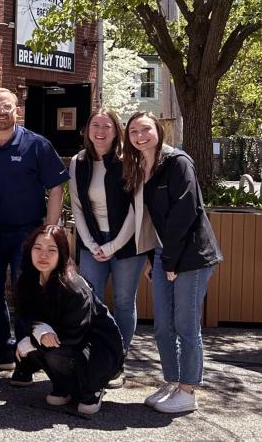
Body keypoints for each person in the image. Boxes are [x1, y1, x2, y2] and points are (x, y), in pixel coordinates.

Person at [0, 87, 69, 385]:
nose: (2, 111)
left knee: (26, 295)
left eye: (7, 106)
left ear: (17, 110)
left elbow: (56, 188)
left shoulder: (37, 145)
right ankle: (3, 350)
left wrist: (49, 231)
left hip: (28, 234)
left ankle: (27, 358)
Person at [123, 111, 223, 414]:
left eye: (146, 130)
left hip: (191, 257)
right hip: (165, 254)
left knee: (186, 325)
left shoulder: (178, 162)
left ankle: (188, 390)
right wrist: (158, 256)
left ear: (159, 130)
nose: (140, 136)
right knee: (163, 326)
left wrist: (169, 260)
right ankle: (172, 381)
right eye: (133, 132)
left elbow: (185, 213)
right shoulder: (142, 166)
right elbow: (154, 220)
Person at [69, 108, 146, 386]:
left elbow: (136, 211)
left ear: (117, 131)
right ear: (87, 130)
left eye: (107, 126)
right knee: (92, 300)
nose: (100, 132)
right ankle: (97, 356)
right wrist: (90, 243)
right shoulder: (79, 162)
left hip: (127, 243)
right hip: (92, 241)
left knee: (124, 303)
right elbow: (77, 205)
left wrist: (114, 245)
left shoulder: (130, 161)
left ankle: (118, 362)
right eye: (95, 126)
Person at [15, 225, 124, 415]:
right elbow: (24, 315)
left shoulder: (74, 286)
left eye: (51, 250)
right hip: (63, 340)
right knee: (31, 346)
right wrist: (36, 331)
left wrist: (34, 340)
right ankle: (63, 386)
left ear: (62, 253)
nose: (43, 255)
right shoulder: (27, 280)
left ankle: (93, 389)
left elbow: (75, 334)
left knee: (51, 351)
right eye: (37, 248)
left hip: (96, 348)